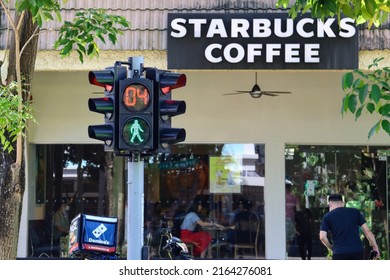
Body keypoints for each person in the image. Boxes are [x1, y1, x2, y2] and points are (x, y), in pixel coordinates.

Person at [319, 193, 380, 260]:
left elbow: (322, 237)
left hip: (339, 252)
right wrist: (375, 247)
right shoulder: (355, 212)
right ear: (343, 203)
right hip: (357, 251)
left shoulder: (327, 216)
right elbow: (367, 231)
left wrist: (332, 248)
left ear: (330, 204)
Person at [285, 180, 299, 253]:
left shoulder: (280, 196)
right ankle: (286, 252)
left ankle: (284, 253)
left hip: (281, 219)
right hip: (290, 218)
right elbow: (298, 209)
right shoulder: (294, 197)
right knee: (288, 239)